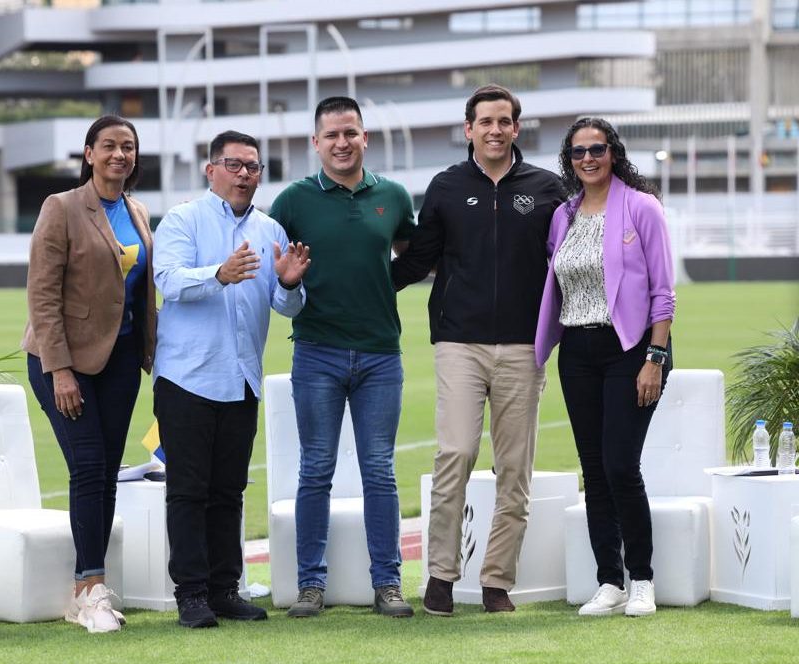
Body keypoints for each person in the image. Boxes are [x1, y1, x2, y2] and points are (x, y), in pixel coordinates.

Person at [392, 84, 564, 615]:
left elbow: (570, 259)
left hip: (522, 348)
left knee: (515, 468)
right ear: (469, 129)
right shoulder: (445, 186)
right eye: (484, 121)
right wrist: (361, 288)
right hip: (459, 343)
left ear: (516, 128)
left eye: (504, 121)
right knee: (457, 454)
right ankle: (441, 575)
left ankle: (496, 582)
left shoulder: (547, 189)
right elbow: (419, 258)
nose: (494, 129)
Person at [153, 130, 310, 629]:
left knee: (229, 491)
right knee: (187, 490)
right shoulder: (183, 219)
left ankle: (224, 588)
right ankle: (191, 594)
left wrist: (289, 282)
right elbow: (168, 282)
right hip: (187, 378)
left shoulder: (270, 230)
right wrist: (217, 274)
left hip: (243, 379)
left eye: (254, 167)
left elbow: (287, 306)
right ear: (211, 170)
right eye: (235, 165)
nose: (245, 175)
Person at [269, 96, 416, 619]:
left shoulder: (393, 196)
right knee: (316, 470)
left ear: (364, 137)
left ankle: (389, 584)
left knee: (380, 470)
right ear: (316, 142)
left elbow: (408, 255)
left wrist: (382, 285)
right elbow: (277, 276)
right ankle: (311, 585)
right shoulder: (291, 202)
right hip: (317, 353)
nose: (341, 142)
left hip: (380, 355)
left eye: (350, 132)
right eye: (331, 135)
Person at [535, 117, 674, 618]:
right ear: (569, 160)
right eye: (578, 152)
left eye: (597, 149)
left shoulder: (641, 207)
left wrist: (654, 360)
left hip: (632, 350)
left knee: (620, 465)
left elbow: (664, 293)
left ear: (613, 152)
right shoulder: (564, 215)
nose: (588, 158)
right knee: (594, 471)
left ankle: (642, 579)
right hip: (578, 351)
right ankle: (608, 581)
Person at [22, 115, 156, 633]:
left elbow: (140, 293)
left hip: (120, 361)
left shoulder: (139, 211)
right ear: (88, 154)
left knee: (107, 473)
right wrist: (59, 370)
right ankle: (89, 588)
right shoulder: (61, 208)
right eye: (109, 146)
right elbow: (42, 295)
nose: (119, 155)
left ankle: (89, 588)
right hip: (64, 362)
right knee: (89, 467)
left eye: (128, 147)